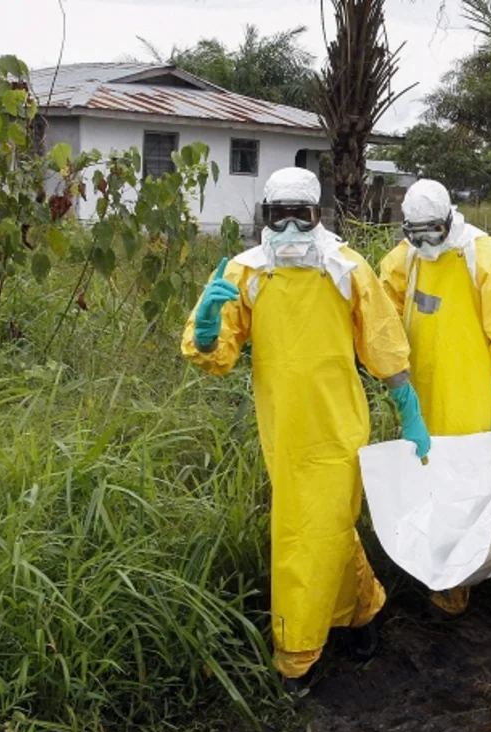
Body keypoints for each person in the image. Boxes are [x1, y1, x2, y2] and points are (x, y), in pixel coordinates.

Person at [181, 167, 431, 693]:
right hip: (283, 428)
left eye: (303, 215)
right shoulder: (245, 273)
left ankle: (296, 652)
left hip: (340, 426)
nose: (291, 227)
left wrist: (408, 407)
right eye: (280, 215)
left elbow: (383, 342)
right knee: (329, 527)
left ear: (320, 216)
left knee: (306, 532)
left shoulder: (346, 269)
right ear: (265, 218)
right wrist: (206, 334)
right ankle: (362, 612)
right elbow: (218, 353)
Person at [379, 179, 491, 616]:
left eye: (433, 233)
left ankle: (460, 577)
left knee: (467, 487)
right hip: (420, 395)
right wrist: (402, 398)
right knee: (425, 484)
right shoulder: (402, 261)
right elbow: (381, 323)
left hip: (470, 396)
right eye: (415, 234)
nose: (425, 243)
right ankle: (430, 567)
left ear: (449, 222)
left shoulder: (483, 256)